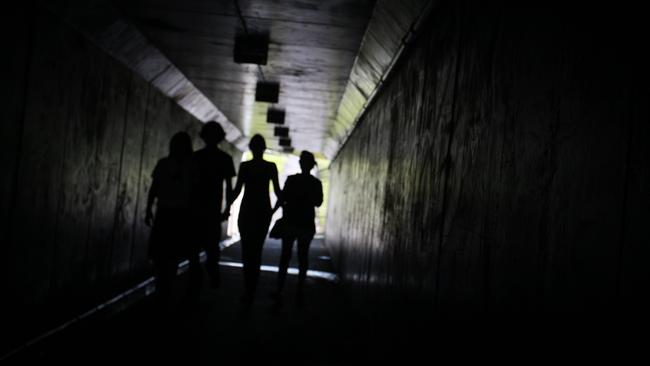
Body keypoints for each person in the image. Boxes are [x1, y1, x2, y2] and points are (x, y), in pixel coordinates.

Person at [145, 132, 198, 310]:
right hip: (181, 215)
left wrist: (148, 208)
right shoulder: (192, 166)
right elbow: (196, 192)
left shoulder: (163, 164)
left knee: (161, 252)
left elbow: (154, 188)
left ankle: (162, 286)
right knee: (173, 253)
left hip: (165, 213)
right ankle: (166, 286)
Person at [230, 134, 281, 304]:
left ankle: (248, 288)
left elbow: (237, 191)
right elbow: (279, 193)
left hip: (246, 211)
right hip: (262, 212)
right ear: (264, 148)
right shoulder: (270, 167)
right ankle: (252, 288)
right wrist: (273, 211)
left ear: (251, 148)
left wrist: (224, 207)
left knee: (246, 251)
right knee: (257, 251)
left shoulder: (245, 167)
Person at [190, 122, 236, 294]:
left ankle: (197, 279)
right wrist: (227, 210)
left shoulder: (196, 157)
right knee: (211, 247)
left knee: (194, 247)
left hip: (197, 210)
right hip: (212, 211)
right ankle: (211, 271)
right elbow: (229, 188)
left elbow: (189, 184)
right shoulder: (225, 159)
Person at [272, 151, 323, 305]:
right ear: (312, 165)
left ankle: (280, 289)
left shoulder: (291, 180)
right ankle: (300, 290)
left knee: (285, 256)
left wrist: (271, 212)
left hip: (290, 222)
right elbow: (318, 202)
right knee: (303, 257)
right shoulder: (316, 183)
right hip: (306, 224)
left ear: (301, 164)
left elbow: (282, 199)